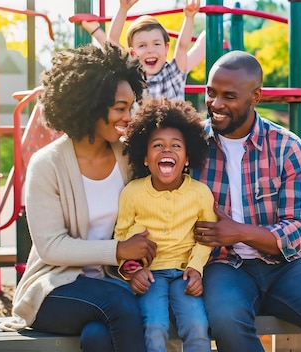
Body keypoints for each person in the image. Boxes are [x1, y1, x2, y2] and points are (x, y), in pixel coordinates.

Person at [190, 50, 301, 352]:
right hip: (222, 265)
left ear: (256, 96)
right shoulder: (191, 146)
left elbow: (296, 230)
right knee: (227, 320)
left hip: (283, 265)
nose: (215, 104)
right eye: (210, 92)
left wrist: (239, 232)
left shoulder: (287, 147)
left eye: (229, 96)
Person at [0, 43, 157, 352]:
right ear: (91, 106)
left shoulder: (128, 157)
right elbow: (51, 247)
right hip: (56, 289)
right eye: (119, 108)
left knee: (98, 338)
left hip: (113, 283)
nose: (129, 116)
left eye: (131, 106)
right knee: (120, 305)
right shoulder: (47, 164)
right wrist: (119, 250)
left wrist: (132, 263)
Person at [113, 97, 215, 352]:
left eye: (176, 146)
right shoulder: (132, 193)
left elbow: (206, 238)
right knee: (154, 326)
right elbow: (121, 237)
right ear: (145, 158)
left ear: (188, 157)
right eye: (157, 145)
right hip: (150, 276)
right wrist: (132, 270)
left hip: (184, 275)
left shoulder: (201, 193)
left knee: (197, 326)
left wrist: (196, 269)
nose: (166, 150)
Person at [82, 0, 204, 100]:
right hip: (144, 128)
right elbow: (112, 42)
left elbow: (182, 46)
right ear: (133, 53)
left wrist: (189, 17)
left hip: (173, 128)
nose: (150, 50)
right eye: (142, 45)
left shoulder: (173, 72)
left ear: (166, 49)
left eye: (156, 44)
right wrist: (123, 9)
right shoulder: (133, 75)